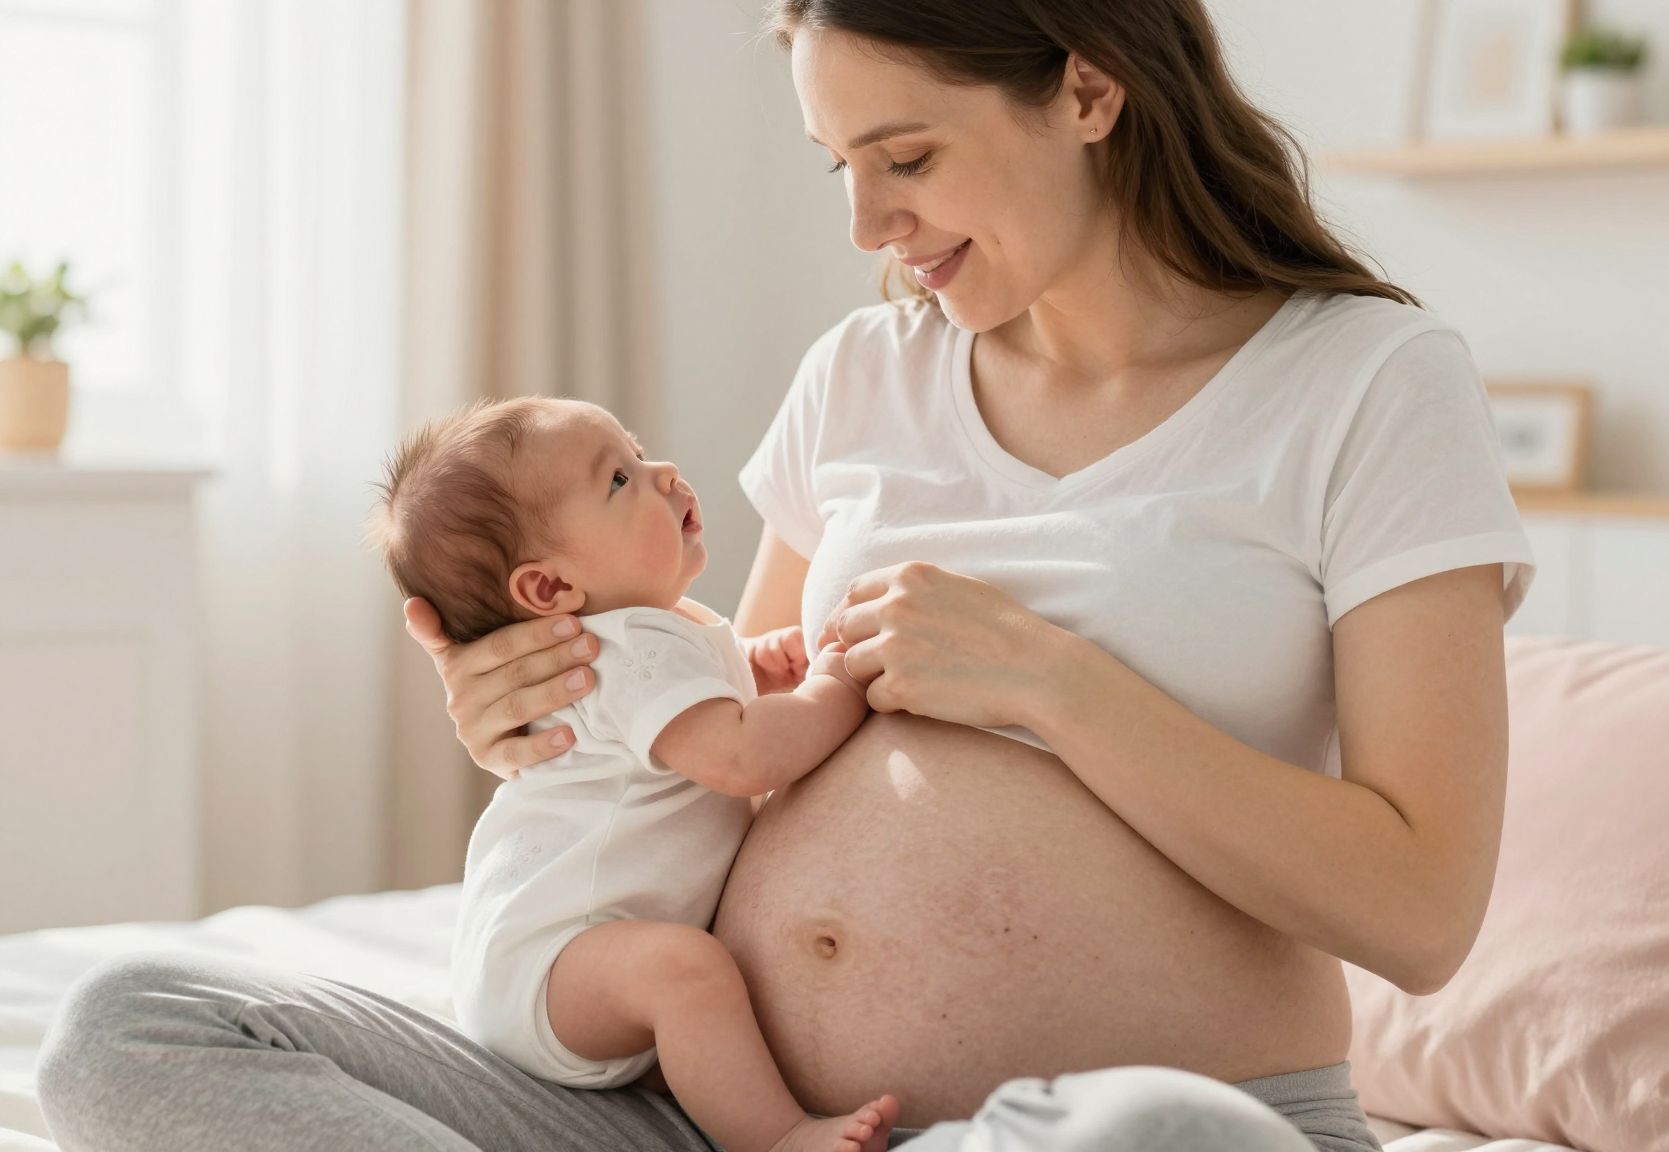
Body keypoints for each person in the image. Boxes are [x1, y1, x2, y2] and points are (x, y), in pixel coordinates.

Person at [34, 1, 1536, 1148]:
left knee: (1165, 1138)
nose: (866, 225)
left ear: (1089, 87)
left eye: (908, 157)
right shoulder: (862, 375)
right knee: (131, 1028)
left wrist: (1057, 687)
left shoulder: (1364, 382)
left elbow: (1419, 909)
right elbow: (726, 750)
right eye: (838, 165)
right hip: (708, 1111)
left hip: (1081, 1122)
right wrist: (554, 717)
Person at [367, 396, 896, 1152]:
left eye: (639, 453)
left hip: (547, 963)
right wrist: (833, 685)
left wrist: (751, 666)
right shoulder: (628, 645)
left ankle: (676, 1072)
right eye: (620, 479)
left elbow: (682, 711)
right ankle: (778, 1139)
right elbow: (741, 757)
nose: (663, 473)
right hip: (553, 962)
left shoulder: (642, 636)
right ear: (548, 591)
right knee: (682, 970)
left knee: (679, 981)